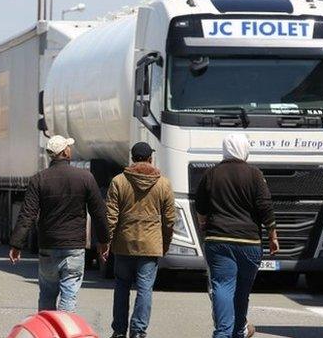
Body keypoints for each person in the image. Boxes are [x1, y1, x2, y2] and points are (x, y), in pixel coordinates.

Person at [9, 135, 110, 312]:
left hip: (48, 245)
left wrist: (16, 245)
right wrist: (103, 241)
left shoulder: (38, 179)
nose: (70, 149)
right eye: (68, 147)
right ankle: (64, 330)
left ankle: (47, 331)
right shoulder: (85, 177)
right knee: (69, 295)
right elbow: (99, 212)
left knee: (47, 294)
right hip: (74, 246)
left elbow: (27, 214)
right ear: (64, 152)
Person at [194, 134, 279, 338]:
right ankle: (238, 331)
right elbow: (265, 206)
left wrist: (203, 222)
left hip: (219, 239)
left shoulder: (211, 174)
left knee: (222, 286)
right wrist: (272, 234)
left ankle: (223, 332)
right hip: (249, 241)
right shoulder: (255, 174)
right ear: (244, 148)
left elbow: (201, 206)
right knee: (242, 291)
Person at [106, 142, 176, 338]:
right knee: (145, 288)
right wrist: (166, 242)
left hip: (124, 244)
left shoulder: (119, 181)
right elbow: (170, 219)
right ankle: (138, 331)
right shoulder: (163, 183)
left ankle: (119, 331)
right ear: (150, 159)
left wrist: (107, 242)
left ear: (132, 158)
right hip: (151, 245)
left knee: (121, 286)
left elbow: (111, 215)